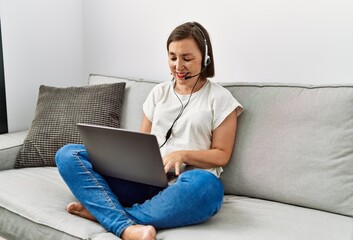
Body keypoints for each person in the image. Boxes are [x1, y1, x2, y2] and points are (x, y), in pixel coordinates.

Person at [55, 21, 243, 240]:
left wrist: (182, 154)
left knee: (209, 187)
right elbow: (141, 142)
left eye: (187, 58)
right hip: (145, 181)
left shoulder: (220, 99)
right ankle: (125, 224)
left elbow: (222, 154)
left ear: (205, 58)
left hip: (186, 185)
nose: (178, 66)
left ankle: (110, 216)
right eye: (172, 57)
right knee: (69, 154)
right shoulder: (158, 93)